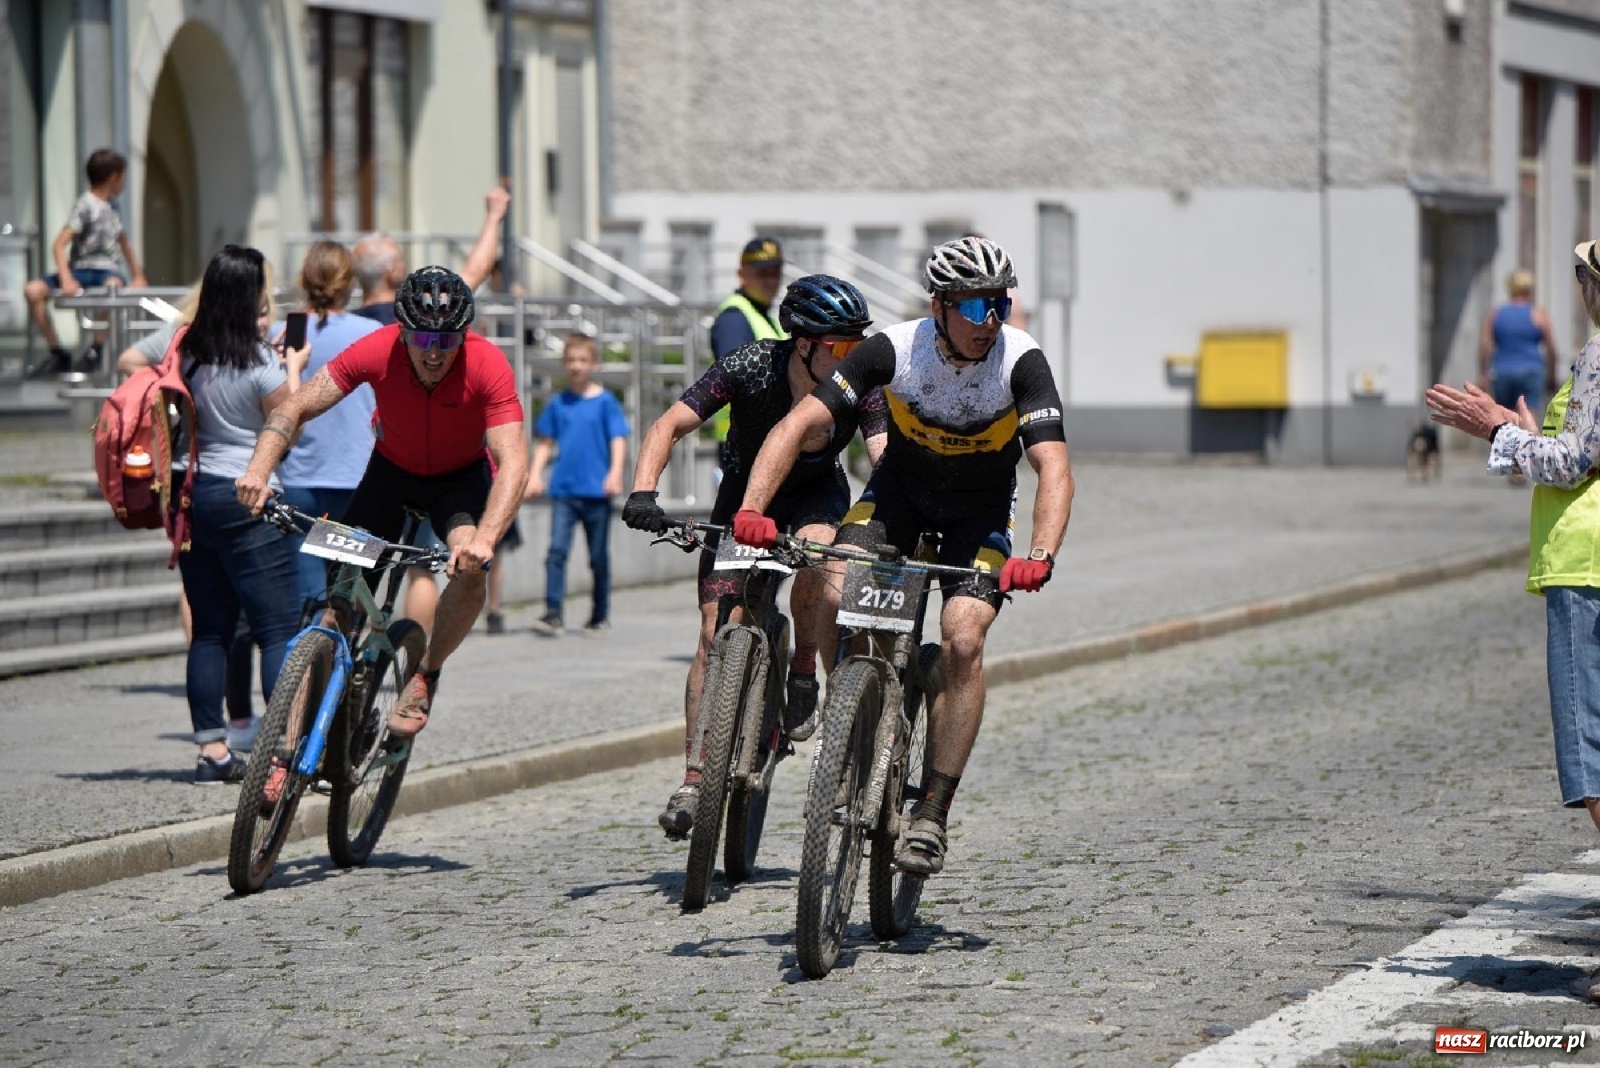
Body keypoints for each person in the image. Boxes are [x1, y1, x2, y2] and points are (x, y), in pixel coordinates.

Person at [731, 237, 1073, 877]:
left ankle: (932, 814)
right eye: (973, 308)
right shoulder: (893, 350)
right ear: (939, 306)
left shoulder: (1020, 362)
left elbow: (1052, 465)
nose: (989, 321)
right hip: (898, 497)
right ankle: (855, 727)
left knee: (962, 636)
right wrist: (753, 508)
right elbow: (794, 426)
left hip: (978, 512)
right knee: (835, 594)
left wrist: (1041, 551)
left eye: (998, 304)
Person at [622, 275, 888, 839]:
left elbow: (883, 456)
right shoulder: (749, 365)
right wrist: (644, 490)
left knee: (820, 563)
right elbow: (671, 423)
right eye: (838, 346)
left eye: (855, 346)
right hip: (743, 496)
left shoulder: (857, 383)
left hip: (816, 494)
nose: (849, 357)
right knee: (712, 630)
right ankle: (695, 776)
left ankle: (801, 671)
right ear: (803, 343)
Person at [235, 265, 528, 744]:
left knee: (472, 567)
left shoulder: (487, 362)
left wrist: (485, 538)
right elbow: (295, 407)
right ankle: (287, 745)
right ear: (402, 332)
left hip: (458, 482)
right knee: (336, 608)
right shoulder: (378, 347)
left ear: (464, 335)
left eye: (447, 342)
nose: (434, 355)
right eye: (422, 341)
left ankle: (426, 673)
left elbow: (513, 458)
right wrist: (258, 470)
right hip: (389, 475)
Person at [1427, 242, 1600, 1003]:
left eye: (1585, 276)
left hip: (1587, 570)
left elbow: (1574, 463)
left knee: (1593, 763)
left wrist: (1498, 427)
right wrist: (1528, 438)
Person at [176, 245, 308, 784]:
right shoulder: (260, 361)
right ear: (249, 296)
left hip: (192, 493)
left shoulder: (186, 351)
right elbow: (288, 430)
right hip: (249, 497)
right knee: (277, 628)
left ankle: (212, 751)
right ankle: (280, 751)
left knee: (210, 631)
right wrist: (293, 369)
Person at [351, 188, 511, 628]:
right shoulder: (431, 314)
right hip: (420, 461)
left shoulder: (342, 323)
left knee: (344, 583)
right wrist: (494, 218)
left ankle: (344, 654)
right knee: (421, 566)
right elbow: (475, 272)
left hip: (363, 467)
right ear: (394, 271)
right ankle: (414, 664)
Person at [276, 241, 384, 608]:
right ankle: (344, 662)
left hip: (298, 480)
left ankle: (310, 663)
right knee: (350, 596)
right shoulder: (373, 332)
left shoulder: (284, 332)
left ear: (304, 279)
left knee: (308, 599)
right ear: (350, 282)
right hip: (359, 481)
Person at [524, 333, 629, 636]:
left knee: (597, 557)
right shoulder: (559, 403)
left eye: (583, 360)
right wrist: (535, 474)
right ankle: (553, 612)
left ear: (593, 364)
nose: (576, 366)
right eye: (571, 360)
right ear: (563, 364)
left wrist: (615, 473)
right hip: (565, 490)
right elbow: (546, 442)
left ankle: (599, 614)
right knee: (556, 551)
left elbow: (617, 439)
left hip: (597, 491)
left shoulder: (605, 401)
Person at [24, 148, 147, 376]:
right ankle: (57, 351)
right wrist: (66, 278)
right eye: (122, 179)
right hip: (81, 269)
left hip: (106, 270)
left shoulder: (114, 206)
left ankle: (96, 349)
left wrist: (138, 274)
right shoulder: (85, 206)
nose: (123, 184)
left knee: (114, 289)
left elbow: (123, 241)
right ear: (113, 178)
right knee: (33, 290)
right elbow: (59, 244)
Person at [1480, 268, 1561, 417]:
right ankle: (1528, 440)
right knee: (1528, 415)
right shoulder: (1538, 314)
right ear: (1529, 290)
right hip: (1531, 371)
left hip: (1502, 371)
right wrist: (1552, 375)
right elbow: (1551, 349)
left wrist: (1483, 374)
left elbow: (1486, 347)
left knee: (1504, 417)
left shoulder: (1495, 314)